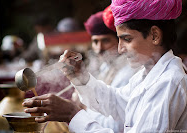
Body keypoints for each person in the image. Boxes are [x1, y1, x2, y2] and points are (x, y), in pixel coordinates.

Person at [23, 0, 187, 132]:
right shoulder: (147, 74)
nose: (120, 49)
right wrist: (81, 78)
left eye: (127, 39)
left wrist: (72, 115)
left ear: (154, 35)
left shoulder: (168, 82)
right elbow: (117, 103)